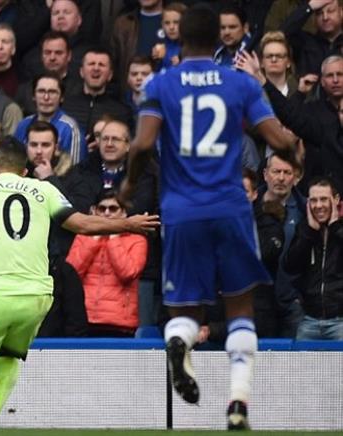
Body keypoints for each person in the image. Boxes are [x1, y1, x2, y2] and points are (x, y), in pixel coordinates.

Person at [120, 5, 299, 430]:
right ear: (219, 38)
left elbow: (142, 145)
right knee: (240, 306)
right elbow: (276, 138)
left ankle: (179, 342)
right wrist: (294, 153)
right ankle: (238, 401)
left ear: (179, 37)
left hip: (181, 210)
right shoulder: (240, 83)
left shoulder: (161, 83)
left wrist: (129, 183)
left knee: (184, 308)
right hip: (230, 206)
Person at [0, 136, 159, 428]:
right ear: (25, 170)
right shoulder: (44, 190)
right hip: (37, 296)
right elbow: (82, 225)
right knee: (11, 356)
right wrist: (128, 224)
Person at [65, 190, 148, 337]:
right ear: (94, 211)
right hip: (84, 318)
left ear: (124, 213)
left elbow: (127, 273)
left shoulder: (137, 240)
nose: (107, 213)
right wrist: (94, 237)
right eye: (102, 209)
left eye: (113, 209)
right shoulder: (83, 237)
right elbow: (71, 274)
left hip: (120, 322)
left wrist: (113, 236)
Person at [283, 177, 342, 340]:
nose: (318, 205)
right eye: (314, 200)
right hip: (309, 319)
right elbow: (289, 266)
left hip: (340, 321)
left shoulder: (340, 229)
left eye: (324, 199)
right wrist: (309, 233)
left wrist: (336, 227)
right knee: (299, 357)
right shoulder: (304, 229)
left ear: (336, 200)